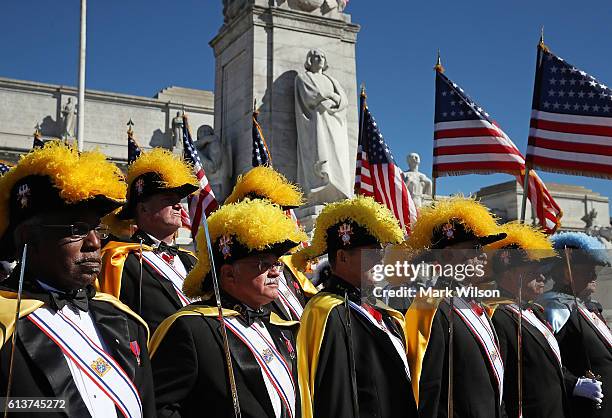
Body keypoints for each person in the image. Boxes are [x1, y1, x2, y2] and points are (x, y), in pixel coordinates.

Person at [0, 142, 155, 417]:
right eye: (77, 229)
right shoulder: (4, 321)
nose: (95, 242)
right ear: (28, 238)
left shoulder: (127, 321)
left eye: (98, 229)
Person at [150, 198, 307, 417]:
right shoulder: (191, 328)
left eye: (276, 264)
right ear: (228, 274)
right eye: (263, 264)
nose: (275, 272)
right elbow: (160, 408)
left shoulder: (281, 327)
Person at [294, 195, 418, 418]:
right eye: (372, 252)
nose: (380, 260)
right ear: (342, 257)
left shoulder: (383, 311)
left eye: (381, 252)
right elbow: (333, 398)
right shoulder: (325, 312)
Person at [404, 197, 507, 418]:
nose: (482, 255)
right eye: (474, 248)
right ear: (448, 254)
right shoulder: (429, 306)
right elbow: (427, 387)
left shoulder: (476, 304)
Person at [98, 148, 199, 333]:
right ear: (143, 209)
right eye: (168, 199)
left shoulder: (191, 260)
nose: (178, 205)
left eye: (179, 200)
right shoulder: (118, 258)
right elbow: (112, 322)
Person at [486, 222, 576, 417]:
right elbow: (497, 381)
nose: (543, 277)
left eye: (542, 271)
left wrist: (574, 383)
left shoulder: (537, 311)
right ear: (509, 274)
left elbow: (550, 362)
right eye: (533, 271)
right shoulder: (497, 316)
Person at [224, 165, 318, 321]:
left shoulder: (287, 265)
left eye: (281, 213)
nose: (282, 219)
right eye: (272, 212)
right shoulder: (240, 263)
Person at [538, 232, 611, 417]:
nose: (593, 274)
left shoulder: (590, 307)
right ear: (564, 273)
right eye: (586, 269)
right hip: (583, 407)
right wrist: (573, 383)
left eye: (593, 269)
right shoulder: (555, 308)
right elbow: (545, 361)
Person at [294, 48, 352, 203]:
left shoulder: (332, 80)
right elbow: (312, 97)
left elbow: (343, 101)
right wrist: (331, 96)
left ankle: (338, 192)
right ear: (309, 60)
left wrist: (333, 99)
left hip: (335, 124)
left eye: (322, 57)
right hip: (316, 123)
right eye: (316, 57)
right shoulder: (303, 78)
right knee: (320, 156)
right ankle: (319, 190)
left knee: (336, 158)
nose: (319, 59)